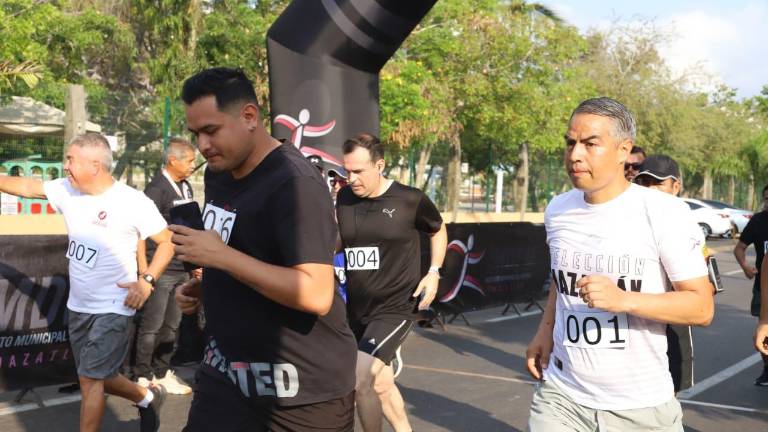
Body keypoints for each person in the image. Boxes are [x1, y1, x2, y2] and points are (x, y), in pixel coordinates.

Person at [170, 67, 357, 431]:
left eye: (211, 130)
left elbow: (317, 293)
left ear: (249, 116)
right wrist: (211, 285)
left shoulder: (296, 183)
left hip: (301, 395)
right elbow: (245, 249)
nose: (203, 146)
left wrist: (222, 258)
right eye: (196, 134)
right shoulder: (218, 173)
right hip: (226, 376)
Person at [526, 97, 714, 431]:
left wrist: (623, 299)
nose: (575, 155)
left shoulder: (664, 213)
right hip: (562, 395)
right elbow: (561, 279)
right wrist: (543, 332)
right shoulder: (558, 209)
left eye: (590, 144)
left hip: (638, 408)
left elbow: (701, 307)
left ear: (623, 149)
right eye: (570, 143)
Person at [0, 133, 173, 432]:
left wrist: (146, 280)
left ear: (95, 165)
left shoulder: (132, 201)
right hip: (79, 305)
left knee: (91, 380)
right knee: (95, 376)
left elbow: (167, 242)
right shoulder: (67, 189)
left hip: (116, 305)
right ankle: (146, 396)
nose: (65, 165)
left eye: (70, 159)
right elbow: (28, 186)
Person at [336, 133, 448, 432]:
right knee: (381, 383)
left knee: (360, 378)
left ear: (380, 165)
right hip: (357, 307)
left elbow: (437, 230)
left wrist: (434, 272)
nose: (351, 178)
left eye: (358, 171)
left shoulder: (409, 199)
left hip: (395, 307)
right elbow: (342, 241)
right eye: (347, 170)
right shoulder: (344, 198)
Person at [634, 154, 705, 393]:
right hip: (629, 330)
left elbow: (705, 296)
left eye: (658, 183)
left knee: (666, 398)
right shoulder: (625, 219)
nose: (650, 190)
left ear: (676, 187)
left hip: (671, 326)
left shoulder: (684, 224)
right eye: (644, 183)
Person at [133, 137, 197, 394]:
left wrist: (193, 263)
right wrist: (144, 270)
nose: (193, 165)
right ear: (173, 161)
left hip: (182, 268)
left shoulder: (187, 186)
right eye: (190, 161)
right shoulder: (155, 189)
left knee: (172, 325)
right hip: (159, 269)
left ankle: (162, 371)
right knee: (152, 326)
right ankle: (142, 375)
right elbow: (139, 231)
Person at [734, 184, 768, 385]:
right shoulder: (758, 221)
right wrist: (746, 267)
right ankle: (766, 368)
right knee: (764, 329)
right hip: (763, 286)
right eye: (766, 197)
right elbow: (739, 248)